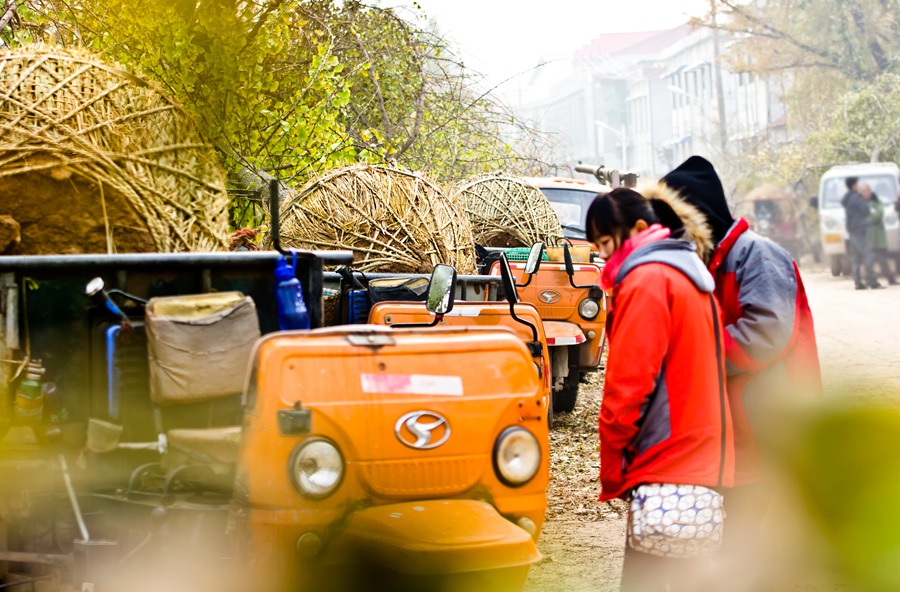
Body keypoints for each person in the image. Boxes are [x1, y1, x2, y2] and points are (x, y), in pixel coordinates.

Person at [646, 155, 822, 590]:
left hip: (768, 418)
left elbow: (768, 332)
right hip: (735, 427)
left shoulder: (755, 254)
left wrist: (694, 352)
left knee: (752, 534)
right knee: (732, 534)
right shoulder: (710, 260)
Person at [586, 187, 734, 592]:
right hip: (698, 452)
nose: (602, 255)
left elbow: (627, 386)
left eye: (605, 242)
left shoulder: (648, 279)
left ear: (637, 228)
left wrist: (614, 470)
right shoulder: (687, 273)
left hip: (663, 455)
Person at [842, 177, 882, 289]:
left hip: (852, 230)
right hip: (859, 230)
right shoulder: (857, 198)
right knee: (867, 254)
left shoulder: (847, 198)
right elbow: (866, 210)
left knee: (856, 258)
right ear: (854, 185)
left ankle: (858, 282)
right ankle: (873, 282)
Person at [860, 183, 898, 285]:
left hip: (878, 236)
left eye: (866, 191)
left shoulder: (876, 201)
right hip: (867, 236)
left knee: (882, 260)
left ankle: (890, 279)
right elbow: (860, 217)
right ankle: (869, 280)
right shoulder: (860, 203)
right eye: (863, 192)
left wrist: (867, 220)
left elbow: (879, 214)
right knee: (868, 260)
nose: (865, 193)